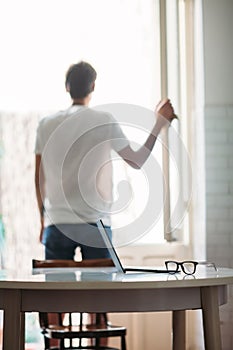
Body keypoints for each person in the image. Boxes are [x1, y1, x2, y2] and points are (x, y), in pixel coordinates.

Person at [35, 61, 176, 346]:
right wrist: (159, 125)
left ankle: (53, 345)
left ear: (67, 87)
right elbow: (136, 161)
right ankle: (97, 344)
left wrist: (42, 219)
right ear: (93, 87)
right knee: (98, 300)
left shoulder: (45, 124)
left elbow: (38, 179)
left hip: (57, 223)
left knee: (53, 300)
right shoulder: (103, 119)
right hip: (96, 224)